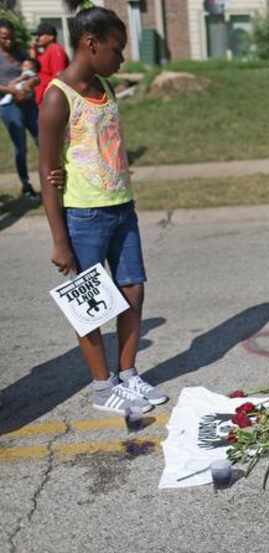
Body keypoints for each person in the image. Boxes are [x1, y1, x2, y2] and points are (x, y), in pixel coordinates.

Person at [39, 0, 167, 414]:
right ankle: (101, 386)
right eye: (116, 48)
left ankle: (128, 374)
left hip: (121, 207)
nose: (122, 56)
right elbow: (47, 170)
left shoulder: (106, 87)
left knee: (133, 290)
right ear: (90, 44)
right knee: (89, 304)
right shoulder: (58, 97)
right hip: (83, 215)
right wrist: (60, 239)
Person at [0, 19, 40, 199]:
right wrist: (11, 90)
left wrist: (29, 85)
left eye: (10, 37)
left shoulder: (20, 52)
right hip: (9, 106)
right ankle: (26, 184)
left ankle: (54, 178)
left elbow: (35, 74)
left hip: (29, 103)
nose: (8, 41)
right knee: (21, 146)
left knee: (43, 140)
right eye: (3, 37)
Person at [30, 21, 70, 106]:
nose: (37, 38)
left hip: (49, 102)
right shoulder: (43, 52)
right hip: (39, 101)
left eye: (40, 35)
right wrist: (33, 51)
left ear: (51, 36)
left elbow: (59, 78)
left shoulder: (55, 49)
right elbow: (31, 72)